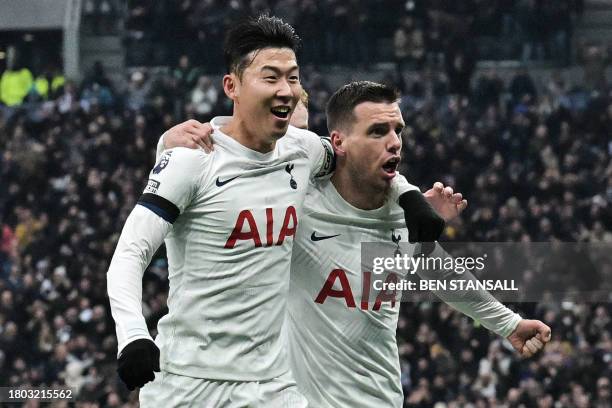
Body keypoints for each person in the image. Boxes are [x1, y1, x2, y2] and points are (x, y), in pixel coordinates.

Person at [107, 16, 443, 406]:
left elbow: (360, 158)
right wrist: (132, 335)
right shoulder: (192, 161)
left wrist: (409, 195)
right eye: (271, 78)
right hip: (190, 382)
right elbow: (130, 254)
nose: (286, 90)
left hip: (270, 385)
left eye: (293, 78)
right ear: (232, 87)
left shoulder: (302, 151)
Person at [163, 81, 551, 406]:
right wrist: (168, 148)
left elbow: (440, 273)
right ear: (336, 142)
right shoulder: (295, 206)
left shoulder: (406, 216)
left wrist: (509, 323)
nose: (395, 142)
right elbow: (209, 193)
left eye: (397, 130)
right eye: (379, 132)